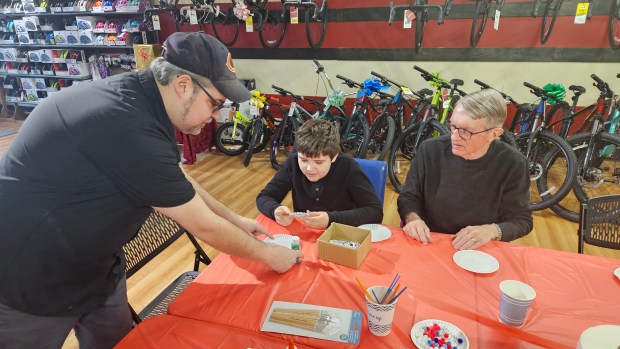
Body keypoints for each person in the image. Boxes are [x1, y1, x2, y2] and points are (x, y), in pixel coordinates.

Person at [0, 32, 303, 349]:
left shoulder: (143, 99)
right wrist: (270, 255)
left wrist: (236, 220)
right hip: (31, 279)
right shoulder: (126, 124)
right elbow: (203, 225)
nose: (216, 117)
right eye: (214, 104)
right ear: (183, 85)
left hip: (96, 266)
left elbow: (177, 179)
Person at [397, 89, 532, 250]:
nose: (454, 136)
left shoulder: (512, 163)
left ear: (494, 134)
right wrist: (412, 219)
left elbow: (521, 220)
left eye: (466, 131)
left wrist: (491, 230)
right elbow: (409, 197)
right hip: (429, 240)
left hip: (477, 247)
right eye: (453, 126)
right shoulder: (430, 150)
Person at [257, 119, 383, 229]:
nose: (309, 168)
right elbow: (265, 197)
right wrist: (275, 210)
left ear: (334, 157)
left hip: (340, 233)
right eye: (304, 160)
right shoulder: (293, 163)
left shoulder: (348, 167)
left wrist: (330, 219)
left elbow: (375, 212)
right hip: (304, 232)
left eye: (319, 162)